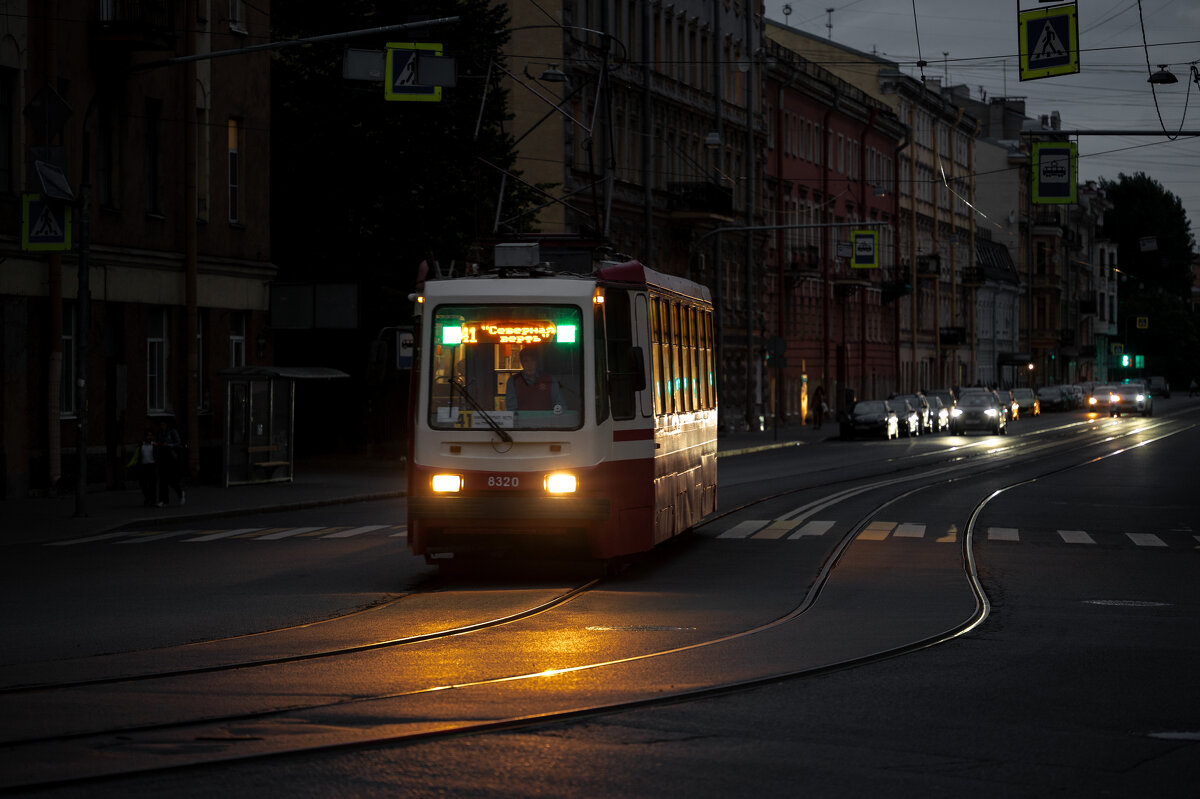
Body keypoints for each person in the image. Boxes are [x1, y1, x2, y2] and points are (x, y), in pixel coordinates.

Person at [505, 345, 563, 411]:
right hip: (522, 420)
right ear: (521, 363)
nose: (529, 365)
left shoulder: (549, 380)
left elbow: (559, 405)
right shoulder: (513, 381)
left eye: (532, 360)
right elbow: (511, 409)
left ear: (537, 362)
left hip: (546, 420)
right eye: (526, 361)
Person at [126, 428, 159, 507]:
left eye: (150, 435)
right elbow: (137, 456)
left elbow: (158, 456)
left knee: (152, 484)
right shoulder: (141, 446)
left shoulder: (154, 445)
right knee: (143, 484)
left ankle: (153, 500)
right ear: (145, 436)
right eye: (147, 435)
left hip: (152, 466)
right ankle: (147, 497)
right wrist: (131, 464)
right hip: (143, 466)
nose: (149, 437)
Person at [157, 420, 186, 506]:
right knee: (162, 480)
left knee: (172, 479)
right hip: (162, 458)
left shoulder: (172, 432)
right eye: (160, 424)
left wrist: (169, 445)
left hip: (171, 458)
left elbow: (178, 442)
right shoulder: (159, 433)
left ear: (166, 424)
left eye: (163, 423)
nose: (161, 425)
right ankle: (163, 500)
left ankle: (180, 493)